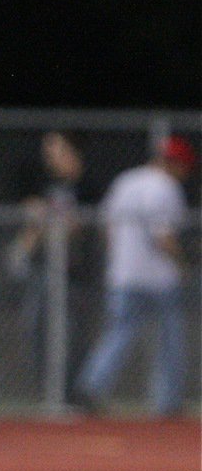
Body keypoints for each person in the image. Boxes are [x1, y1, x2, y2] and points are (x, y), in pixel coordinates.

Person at [74, 134, 197, 417]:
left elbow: (107, 228)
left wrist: (117, 260)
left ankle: (90, 388)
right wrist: (185, 263)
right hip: (159, 278)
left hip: (123, 275)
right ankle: (168, 403)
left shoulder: (126, 180)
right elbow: (163, 237)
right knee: (170, 340)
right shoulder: (165, 187)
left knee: (119, 333)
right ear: (174, 164)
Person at [6, 130, 101, 401]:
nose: (49, 158)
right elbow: (36, 220)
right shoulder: (47, 185)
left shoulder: (88, 186)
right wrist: (23, 248)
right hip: (46, 272)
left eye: (56, 151)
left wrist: (52, 219)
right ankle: (49, 392)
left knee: (74, 336)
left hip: (76, 274)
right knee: (35, 327)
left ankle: (75, 395)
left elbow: (80, 228)